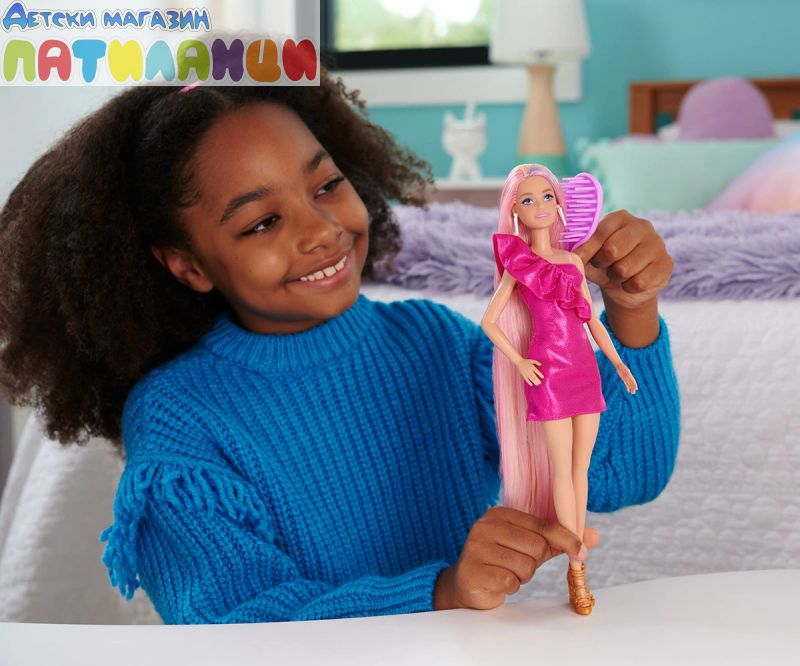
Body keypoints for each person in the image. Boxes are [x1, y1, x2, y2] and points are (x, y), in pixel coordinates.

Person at [0, 70, 679, 624]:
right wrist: (439, 593)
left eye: (326, 185)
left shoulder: (435, 344)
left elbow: (621, 471)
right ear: (189, 265)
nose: (322, 229)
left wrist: (630, 309)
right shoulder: (181, 416)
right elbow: (233, 623)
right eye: (262, 222)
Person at [482, 164, 638, 615]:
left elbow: (590, 321)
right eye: (528, 200)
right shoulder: (519, 263)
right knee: (560, 471)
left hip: (584, 370)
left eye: (547, 197)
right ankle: (577, 569)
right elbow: (490, 322)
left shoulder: (572, 263)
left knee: (579, 469)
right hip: (548, 373)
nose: (540, 206)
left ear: (559, 204)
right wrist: (519, 361)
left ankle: (577, 560)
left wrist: (617, 362)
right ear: (515, 211)